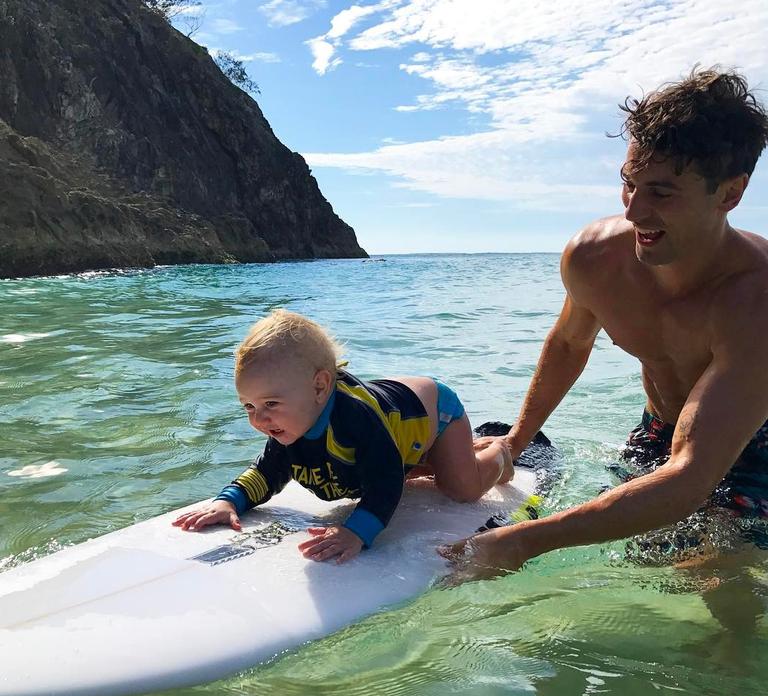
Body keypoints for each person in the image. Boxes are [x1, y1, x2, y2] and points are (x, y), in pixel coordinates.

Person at [441, 68, 768, 580]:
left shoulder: (756, 300)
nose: (635, 210)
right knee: (642, 559)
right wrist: (515, 442)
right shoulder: (595, 260)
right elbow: (571, 343)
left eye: (661, 193)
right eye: (628, 183)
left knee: (712, 574)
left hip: (757, 442)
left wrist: (521, 542)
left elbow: (690, 476)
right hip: (661, 427)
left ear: (730, 193)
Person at [173, 309, 513, 563]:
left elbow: (386, 481)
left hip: (434, 412)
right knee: (394, 461)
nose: (258, 418)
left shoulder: (354, 419)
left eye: (270, 404)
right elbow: (266, 472)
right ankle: (439, 456)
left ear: (320, 387)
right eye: (248, 406)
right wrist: (228, 501)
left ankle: (497, 452)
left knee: (459, 489)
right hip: (397, 425)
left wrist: (356, 532)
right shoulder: (289, 424)